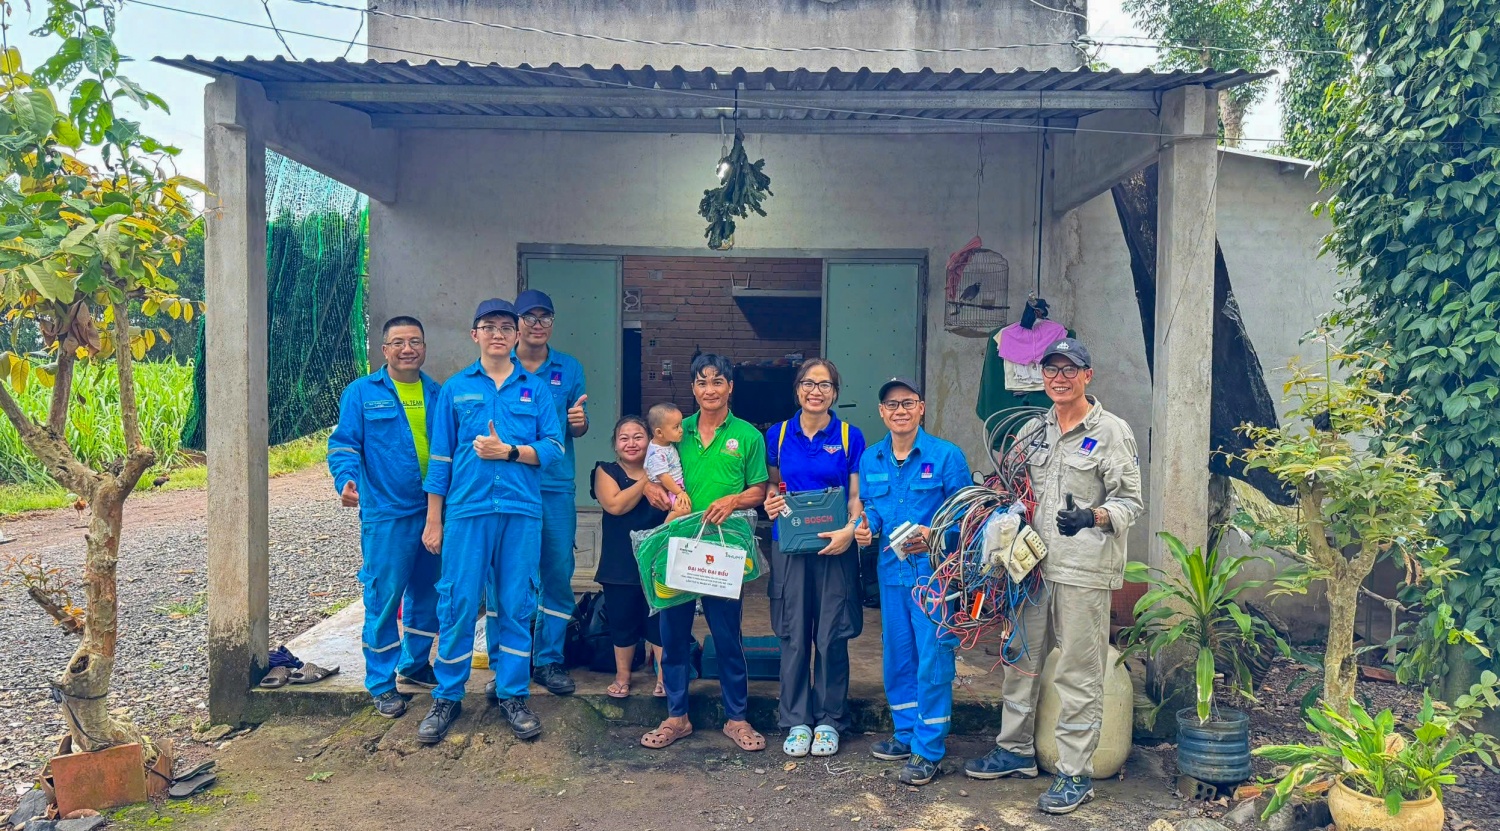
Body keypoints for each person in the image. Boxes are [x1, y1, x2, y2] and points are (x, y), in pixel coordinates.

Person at [962, 337, 1143, 815]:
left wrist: (1093, 517)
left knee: (1078, 671)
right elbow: (1013, 485)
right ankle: (1015, 750)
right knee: (1021, 659)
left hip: (1084, 569)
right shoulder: (1031, 432)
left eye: (1069, 370)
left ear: (1088, 375)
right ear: (1042, 378)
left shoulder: (1111, 432)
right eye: (1051, 370)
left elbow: (1130, 501)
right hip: (1030, 566)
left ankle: (1074, 772)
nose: (1059, 378)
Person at [416, 298, 565, 744]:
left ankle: (513, 694)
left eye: (505, 327)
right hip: (467, 511)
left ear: (517, 335)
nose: (497, 334)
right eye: (488, 326)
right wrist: (433, 520)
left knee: (517, 604)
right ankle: (447, 697)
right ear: (474, 334)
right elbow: (440, 458)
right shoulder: (455, 389)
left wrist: (511, 452)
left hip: (521, 512)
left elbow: (554, 448)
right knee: (459, 603)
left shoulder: (535, 389)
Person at [639, 354, 769, 752]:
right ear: (693, 388)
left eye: (716, 382)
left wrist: (733, 499)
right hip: (677, 544)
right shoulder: (677, 430)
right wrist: (653, 491)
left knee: (727, 635)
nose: (708, 390)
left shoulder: (747, 436)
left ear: (730, 387)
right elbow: (646, 473)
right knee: (673, 634)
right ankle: (677, 717)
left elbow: (759, 491)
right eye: (701, 382)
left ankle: (737, 718)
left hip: (723, 549)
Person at [853, 377, 970, 786]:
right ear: (882, 413)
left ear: (921, 408)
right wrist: (864, 528)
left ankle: (928, 748)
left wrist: (934, 533)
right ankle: (905, 733)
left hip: (934, 576)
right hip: (891, 573)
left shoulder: (945, 456)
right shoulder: (871, 459)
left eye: (908, 403)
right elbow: (872, 510)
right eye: (891, 405)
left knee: (933, 656)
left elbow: (966, 515)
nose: (899, 411)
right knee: (898, 656)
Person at [327, 316, 442, 718]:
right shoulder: (362, 393)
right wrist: (346, 480)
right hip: (387, 514)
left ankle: (415, 664)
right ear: (385, 350)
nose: (407, 348)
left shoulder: (436, 392)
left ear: (424, 347)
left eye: (415, 341)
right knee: (384, 594)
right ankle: (380, 681)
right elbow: (344, 444)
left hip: (432, 511)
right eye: (398, 342)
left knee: (429, 593)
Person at [762, 359, 866, 758]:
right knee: (792, 633)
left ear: (835, 393)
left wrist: (849, 530)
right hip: (789, 545)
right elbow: (774, 483)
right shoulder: (779, 433)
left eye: (824, 385)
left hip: (833, 546)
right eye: (808, 383)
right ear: (797, 390)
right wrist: (771, 500)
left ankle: (829, 719)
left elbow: (855, 495)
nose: (815, 391)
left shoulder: (847, 435)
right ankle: (795, 720)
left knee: (831, 633)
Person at [512, 288, 589, 697]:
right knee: (509, 576)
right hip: (508, 487)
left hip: (555, 485)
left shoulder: (568, 367)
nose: (538, 324)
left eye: (545, 317)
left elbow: (579, 425)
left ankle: (549, 660)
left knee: (557, 574)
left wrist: (578, 422)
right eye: (530, 317)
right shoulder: (499, 367)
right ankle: (510, 661)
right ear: (517, 323)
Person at [591, 416, 668, 698]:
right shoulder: (606, 471)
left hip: (658, 560)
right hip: (619, 563)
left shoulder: (668, 474)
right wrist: (647, 479)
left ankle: (663, 675)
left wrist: (657, 474)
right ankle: (623, 676)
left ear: (650, 441)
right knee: (621, 622)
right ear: (615, 445)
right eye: (624, 438)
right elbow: (615, 505)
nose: (631, 443)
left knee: (660, 622)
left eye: (638, 437)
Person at [644, 402, 691, 521]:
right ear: (659, 433)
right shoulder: (657, 453)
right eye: (676, 427)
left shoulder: (665, 445)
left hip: (674, 486)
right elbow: (663, 476)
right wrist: (679, 492)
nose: (681, 430)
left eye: (680, 425)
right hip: (670, 487)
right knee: (683, 509)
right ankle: (664, 532)